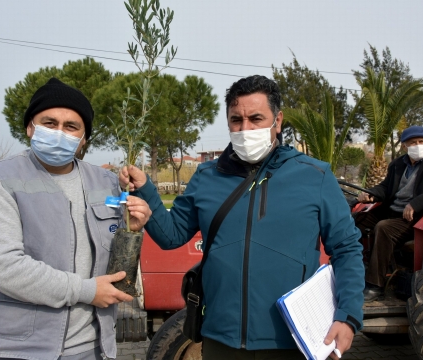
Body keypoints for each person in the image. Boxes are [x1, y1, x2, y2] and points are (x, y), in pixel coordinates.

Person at [120, 75, 364, 359]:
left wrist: (347, 316)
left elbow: (347, 249)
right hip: (220, 339)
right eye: (236, 120)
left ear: (278, 121)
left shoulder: (315, 175)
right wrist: (148, 193)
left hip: (292, 341)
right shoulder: (207, 176)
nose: (245, 128)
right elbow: (171, 236)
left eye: (256, 118)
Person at [0, 78, 151, 360]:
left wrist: (132, 231)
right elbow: (1, 266)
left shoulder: (105, 182)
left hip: (92, 347)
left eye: (71, 127)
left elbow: (113, 256)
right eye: (49, 123)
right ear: (30, 127)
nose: (59, 133)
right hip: (18, 348)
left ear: (83, 138)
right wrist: (86, 291)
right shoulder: (0, 180)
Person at [357, 126, 423, 302]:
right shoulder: (398, 164)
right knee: (357, 220)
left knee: (384, 228)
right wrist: (370, 194)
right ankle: (351, 271)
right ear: (405, 145)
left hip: (417, 217)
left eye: (422, 141)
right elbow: (386, 187)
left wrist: (416, 203)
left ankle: (375, 285)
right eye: (413, 143)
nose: (418, 145)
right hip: (393, 211)